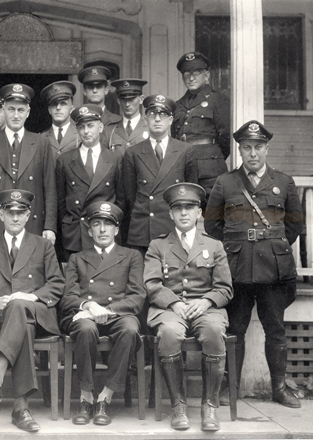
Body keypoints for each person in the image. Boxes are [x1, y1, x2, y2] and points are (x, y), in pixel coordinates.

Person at [205, 120, 303, 409]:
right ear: (239, 150)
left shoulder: (284, 183)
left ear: (267, 148)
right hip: (237, 269)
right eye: (246, 148)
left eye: (258, 147)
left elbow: (295, 227)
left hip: (274, 271)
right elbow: (212, 225)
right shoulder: (225, 183)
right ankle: (230, 388)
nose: (253, 153)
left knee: (275, 329)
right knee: (235, 328)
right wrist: (236, 246)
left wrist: (272, 248)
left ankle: (279, 388)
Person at [0, 190, 64, 433]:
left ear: (28, 215)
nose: (15, 218)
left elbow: (56, 284)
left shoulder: (43, 246)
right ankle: (20, 408)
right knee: (23, 322)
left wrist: (31, 296)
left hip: (37, 311)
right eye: (10, 212)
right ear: (0, 214)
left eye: (20, 213)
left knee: (21, 307)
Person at [144, 183, 233, 431]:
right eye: (178, 208)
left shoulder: (214, 246)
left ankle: (209, 406)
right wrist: (173, 302)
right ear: (171, 214)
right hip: (170, 309)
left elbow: (225, 288)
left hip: (207, 309)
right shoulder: (158, 246)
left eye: (190, 207)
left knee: (215, 331)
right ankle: (178, 406)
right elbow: (151, 284)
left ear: (199, 212)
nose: (184, 213)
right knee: (170, 333)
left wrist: (205, 301)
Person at [59, 201, 145, 426]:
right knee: (85, 329)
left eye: (108, 224)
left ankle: (105, 396)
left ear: (117, 230)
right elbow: (68, 297)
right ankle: (86, 397)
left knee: (130, 329)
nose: (103, 229)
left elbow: (137, 297)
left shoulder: (131, 256)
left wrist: (106, 310)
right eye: (96, 224)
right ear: (89, 231)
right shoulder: (77, 258)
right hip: (86, 316)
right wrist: (88, 306)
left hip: (118, 315)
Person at [0, 83, 57, 248]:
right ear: (3, 110)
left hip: (32, 223)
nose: (16, 115)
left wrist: (49, 226)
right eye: (11, 109)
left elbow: (50, 189)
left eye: (21, 110)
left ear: (28, 112)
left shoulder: (41, 143)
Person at [119, 94, 197, 254]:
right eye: (152, 115)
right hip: (143, 231)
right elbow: (130, 197)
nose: (157, 119)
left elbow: (191, 193)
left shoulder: (185, 150)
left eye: (162, 115)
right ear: (146, 119)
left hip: (173, 228)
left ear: (170, 120)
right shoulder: (133, 153)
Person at [55, 104, 122, 260]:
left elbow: (121, 199)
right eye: (81, 127)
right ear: (77, 130)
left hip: (105, 232)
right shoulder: (65, 160)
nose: (86, 131)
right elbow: (61, 201)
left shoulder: (115, 158)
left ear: (100, 127)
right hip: (75, 234)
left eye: (90, 126)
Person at [172, 52, 231, 203]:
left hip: (210, 169)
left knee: (213, 215)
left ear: (206, 75)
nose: (191, 78)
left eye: (196, 73)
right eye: (187, 74)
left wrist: (211, 156)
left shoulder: (218, 100)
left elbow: (225, 139)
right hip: (184, 167)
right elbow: (175, 138)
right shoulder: (177, 105)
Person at [107, 78, 149, 154]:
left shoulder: (150, 128)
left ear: (141, 99)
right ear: (118, 101)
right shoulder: (110, 131)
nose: (127, 104)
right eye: (123, 99)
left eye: (131, 99)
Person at [40, 80, 78, 161]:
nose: (58, 108)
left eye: (63, 103)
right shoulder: (41, 138)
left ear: (71, 109)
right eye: (54, 104)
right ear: (49, 110)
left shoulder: (80, 134)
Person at [78, 66, 122, 132]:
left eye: (99, 86)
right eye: (90, 87)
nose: (95, 90)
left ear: (106, 89)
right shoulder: (77, 121)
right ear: (84, 91)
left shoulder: (117, 121)